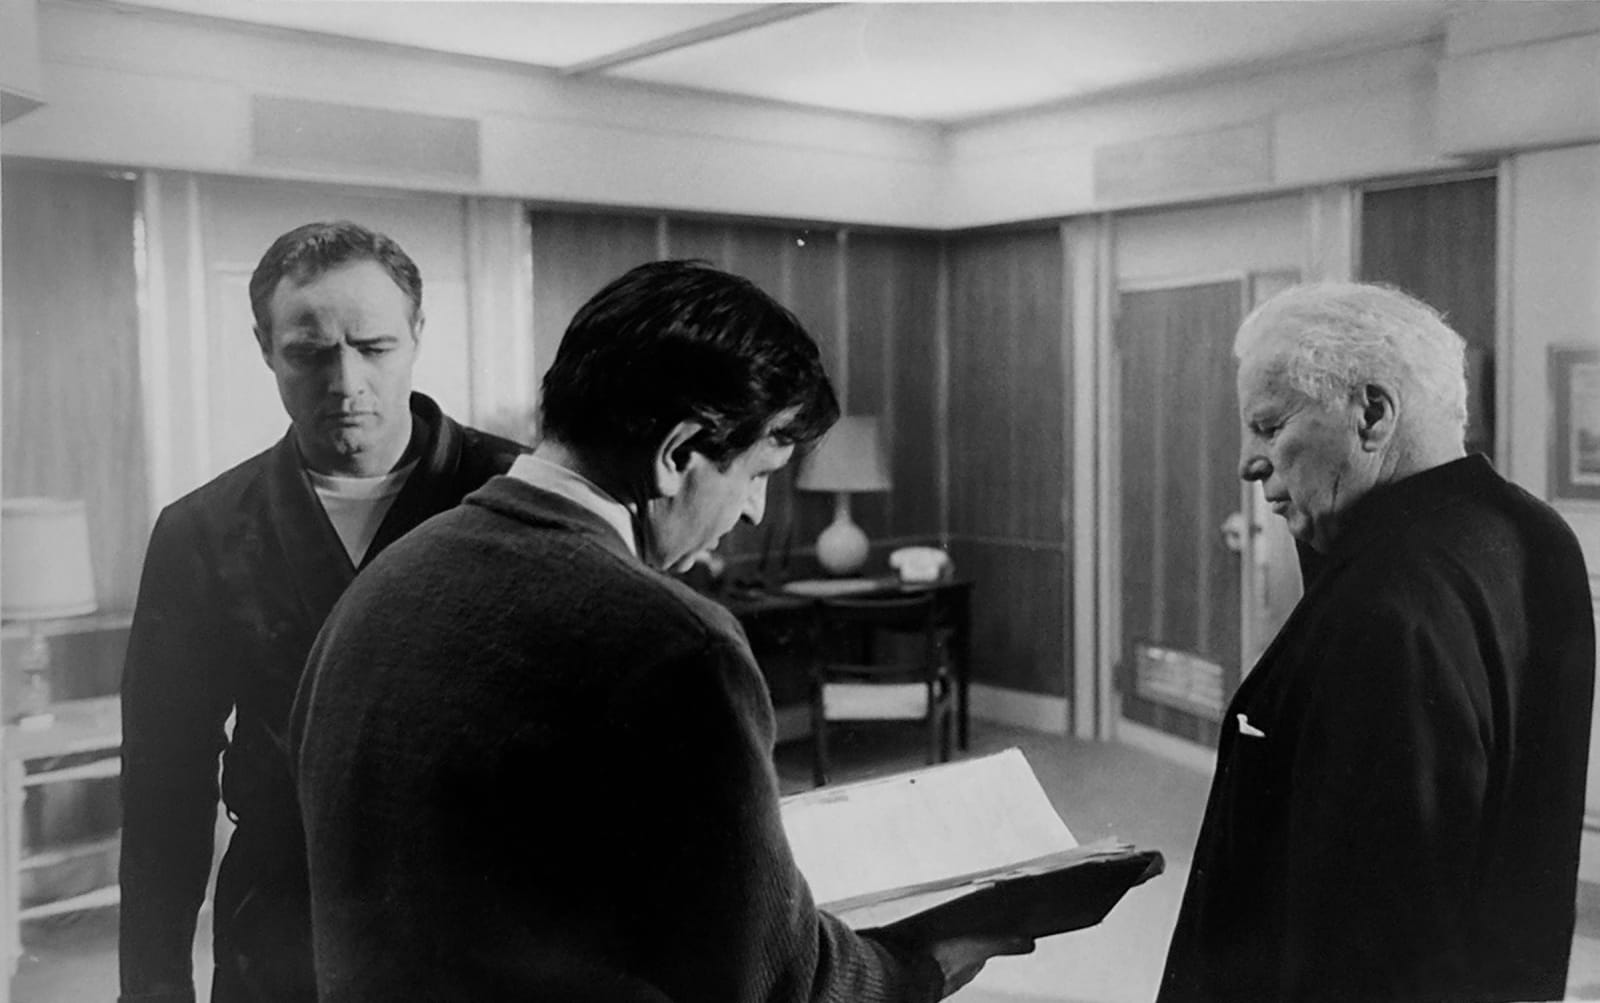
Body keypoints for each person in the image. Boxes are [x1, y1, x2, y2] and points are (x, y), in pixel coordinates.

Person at [290, 260, 1032, 1002]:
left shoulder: (377, 587)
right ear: (677, 455)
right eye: (758, 472)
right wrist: (920, 965)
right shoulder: (678, 645)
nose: (754, 513)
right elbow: (776, 983)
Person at [119, 220, 526, 1003]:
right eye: (309, 353)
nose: (345, 382)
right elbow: (162, 786)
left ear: (416, 335)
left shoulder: (511, 494)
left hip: (485, 922)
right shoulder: (200, 531)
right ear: (265, 347)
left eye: (373, 346)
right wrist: (152, 987)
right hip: (280, 926)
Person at [1158, 282, 1594, 1003]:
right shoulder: (1539, 535)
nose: (1248, 461)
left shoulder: (1381, 606)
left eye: (1268, 426)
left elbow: (1361, 945)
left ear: (1373, 414)